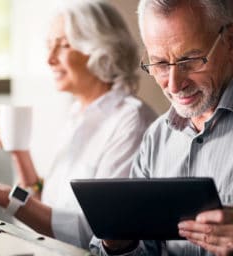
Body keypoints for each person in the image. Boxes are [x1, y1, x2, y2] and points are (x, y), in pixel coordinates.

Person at [0, 0, 157, 250]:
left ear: (101, 48)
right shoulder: (77, 113)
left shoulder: (131, 122)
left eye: (63, 45)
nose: (50, 59)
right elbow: (47, 208)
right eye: (49, 46)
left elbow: (96, 234)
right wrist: (18, 151)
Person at [89, 0, 233, 255]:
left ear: (230, 41)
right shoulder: (157, 137)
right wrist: (119, 244)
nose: (174, 85)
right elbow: (147, 248)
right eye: (160, 64)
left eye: (190, 60)